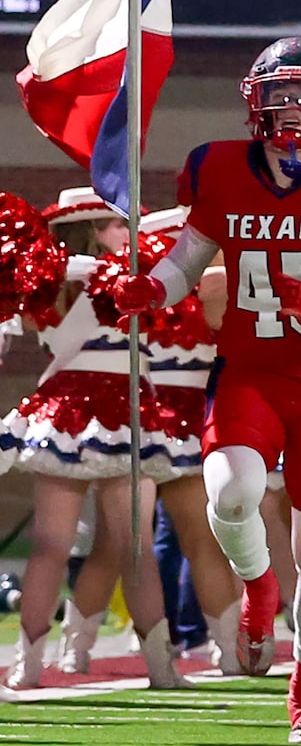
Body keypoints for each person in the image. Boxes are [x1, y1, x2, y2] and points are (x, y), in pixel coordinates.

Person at [112, 39, 301, 743]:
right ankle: (256, 585)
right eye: (281, 94)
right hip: (249, 372)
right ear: (254, 100)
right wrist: (153, 287)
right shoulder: (220, 170)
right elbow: (189, 259)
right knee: (230, 493)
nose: (292, 109)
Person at [1, 189, 194, 689]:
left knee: (136, 546)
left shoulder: (132, 275)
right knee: (52, 545)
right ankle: (27, 665)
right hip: (74, 406)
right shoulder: (58, 278)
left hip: (128, 406)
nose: (127, 233)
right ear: (87, 228)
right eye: (113, 225)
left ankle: (160, 665)